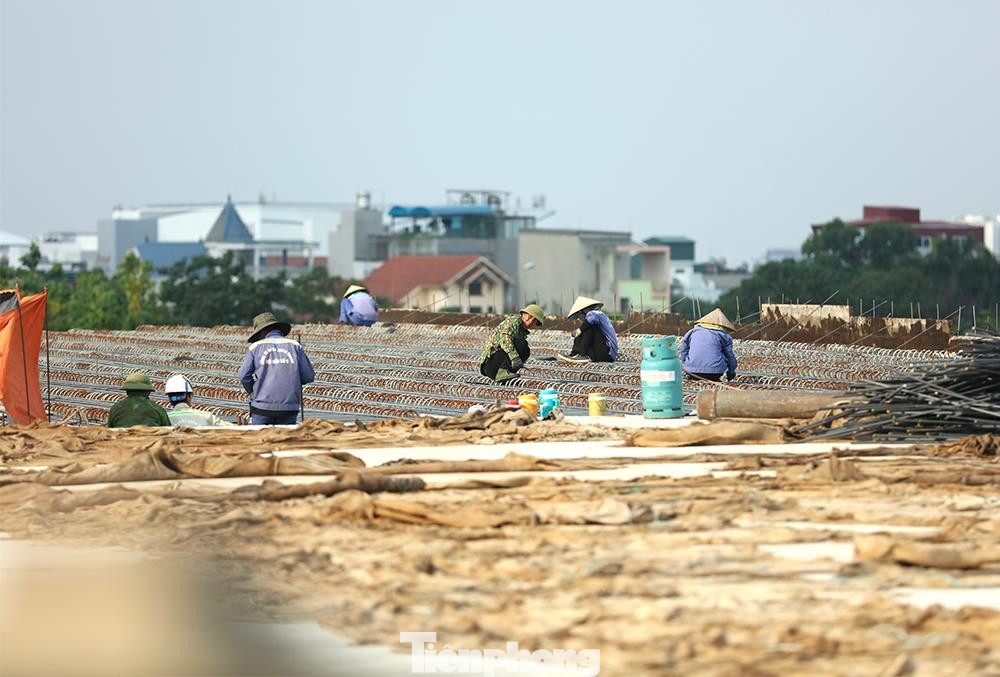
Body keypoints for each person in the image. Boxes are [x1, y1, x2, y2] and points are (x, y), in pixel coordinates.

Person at [238, 312, 316, 425]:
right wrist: (294, 380)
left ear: (263, 332)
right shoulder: (295, 346)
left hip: (261, 408)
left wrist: (252, 391)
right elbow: (309, 376)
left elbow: (243, 376)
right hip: (289, 409)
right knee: (286, 441)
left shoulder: (255, 347)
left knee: (260, 441)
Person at [479, 304, 545, 383]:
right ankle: (502, 372)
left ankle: (505, 375)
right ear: (523, 314)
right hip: (490, 364)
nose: (531, 321)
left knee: (525, 350)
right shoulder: (514, 321)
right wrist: (514, 358)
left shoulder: (522, 331)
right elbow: (505, 339)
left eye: (534, 320)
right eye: (530, 317)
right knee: (521, 344)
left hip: (496, 366)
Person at [679, 308, 738, 382]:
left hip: (692, 371)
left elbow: (684, 349)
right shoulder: (724, 336)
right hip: (714, 373)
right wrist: (731, 372)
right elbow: (730, 356)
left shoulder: (692, 332)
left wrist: (687, 364)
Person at [558, 296, 619, 363]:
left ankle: (583, 355)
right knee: (584, 328)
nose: (580, 318)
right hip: (600, 352)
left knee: (588, 328)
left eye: (579, 315)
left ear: (583, 311)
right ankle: (575, 354)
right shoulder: (598, 315)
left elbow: (591, 320)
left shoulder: (596, 313)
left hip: (607, 354)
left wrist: (579, 330)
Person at [106, 371, 171, 428]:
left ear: (127, 391)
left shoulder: (116, 408)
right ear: (148, 392)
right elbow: (169, 432)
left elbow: (109, 430)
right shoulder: (158, 409)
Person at [164, 373, 231, 427]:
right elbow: (232, 429)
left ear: (170, 399)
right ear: (189, 396)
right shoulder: (207, 417)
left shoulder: (165, 419)